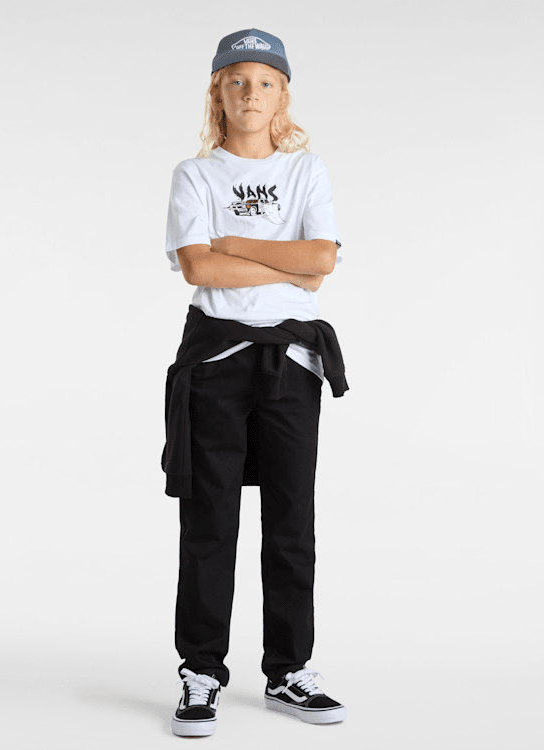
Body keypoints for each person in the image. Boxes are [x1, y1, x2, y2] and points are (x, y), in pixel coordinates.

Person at [164, 28, 349, 737]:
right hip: (216, 362)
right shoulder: (195, 175)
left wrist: (234, 242)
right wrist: (285, 261)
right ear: (218, 92)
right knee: (209, 519)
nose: (251, 93)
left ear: (282, 97)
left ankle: (289, 670)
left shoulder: (307, 171)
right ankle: (201, 671)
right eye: (237, 80)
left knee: (291, 520)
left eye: (265, 82)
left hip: (292, 365)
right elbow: (198, 268)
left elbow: (321, 261)